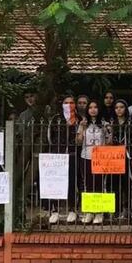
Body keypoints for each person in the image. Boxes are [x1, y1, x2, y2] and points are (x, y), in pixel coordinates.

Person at [75, 99, 111, 225]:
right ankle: (90, 211)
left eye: (95, 107)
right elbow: (78, 142)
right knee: (88, 184)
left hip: (101, 157)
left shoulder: (104, 123)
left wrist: (108, 131)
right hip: (86, 156)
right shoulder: (83, 123)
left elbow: (109, 142)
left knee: (100, 184)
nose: (93, 109)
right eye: (90, 107)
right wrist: (82, 128)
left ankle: (100, 212)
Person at [46, 95, 78, 224]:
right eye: (66, 102)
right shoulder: (56, 119)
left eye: (71, 102)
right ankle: (54, 210)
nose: (69, 105)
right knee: (55, 182)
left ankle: (72, 209)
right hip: (57, 155)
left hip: (73, 154)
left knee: (72, 182)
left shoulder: (79, 119)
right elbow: (49, 137)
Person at [109, 100, 131, 220]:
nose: (119, 109)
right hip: (113, 157)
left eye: (122, 107)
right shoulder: (111, 123)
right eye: (116, 107)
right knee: (114, 184)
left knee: (126, 184)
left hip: (127, 156)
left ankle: (127, 209)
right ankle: (115, 210)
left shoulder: (130, 122)